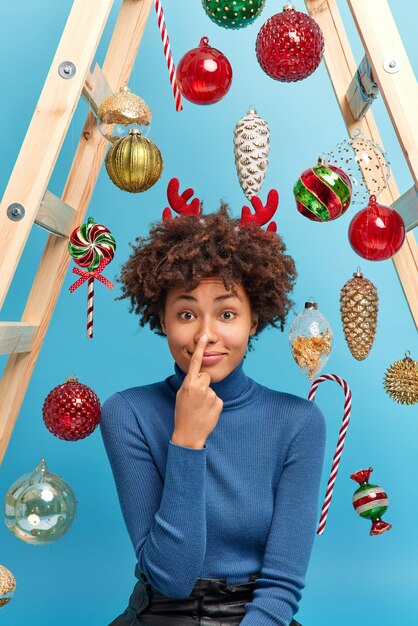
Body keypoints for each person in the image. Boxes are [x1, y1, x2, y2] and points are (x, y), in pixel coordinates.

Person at [99, 179, 326, 626]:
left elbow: (281, 586)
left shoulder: (298, 422)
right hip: (162, 613)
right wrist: (186, 439)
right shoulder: (127, 413)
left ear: (253, 319)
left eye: (226, 314)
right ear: (161, 321)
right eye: (186, 314)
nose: (206, 336)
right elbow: (171, 577)